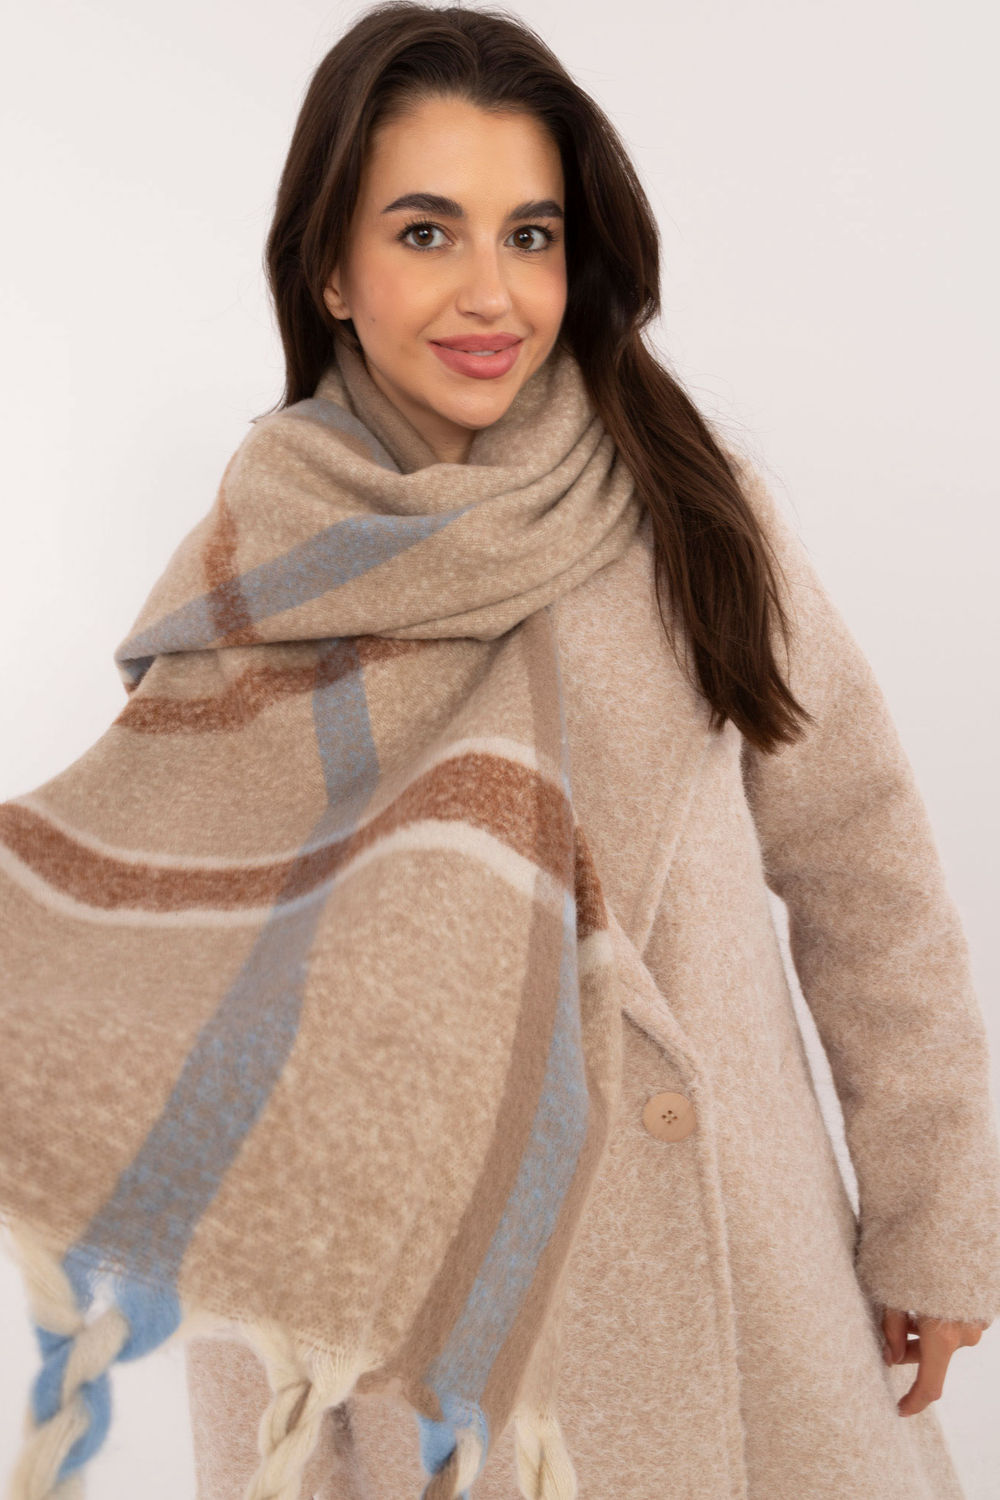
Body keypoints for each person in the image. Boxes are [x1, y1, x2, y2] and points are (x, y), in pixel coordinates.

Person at [2, 5, 997, 1500]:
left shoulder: (683, 507)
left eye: (530, 235)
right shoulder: (254, 581)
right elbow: (209, 1020)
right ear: (330, 271)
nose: (492, 294)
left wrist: (933, 1213)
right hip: (427, 1359)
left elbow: (864, 864)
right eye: (426, 233)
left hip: (749, 1297)